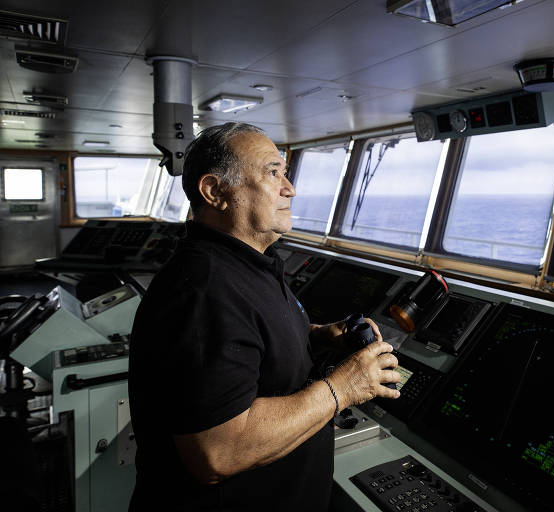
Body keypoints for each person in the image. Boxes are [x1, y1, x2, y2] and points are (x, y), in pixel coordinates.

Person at [128, 122, 400, 511]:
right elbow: (218, 451)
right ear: (215, 191)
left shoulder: (245, 264)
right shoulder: (204, 291)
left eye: (285, 172)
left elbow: (244, 340)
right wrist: (344, 387)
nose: (289, 188)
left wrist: (316, 335)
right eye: (273, 173)